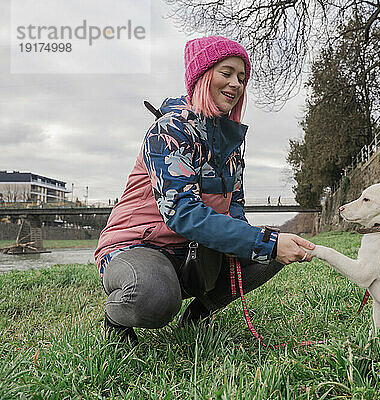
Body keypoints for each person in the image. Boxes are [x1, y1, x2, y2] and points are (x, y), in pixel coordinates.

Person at [94, 36, 315, 345]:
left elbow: (235, 208)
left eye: (241, 77)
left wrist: (267, 242)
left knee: (271, 249)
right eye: (226, 73)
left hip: (193, 249)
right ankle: (116, 319)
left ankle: (197, 315)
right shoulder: (169, 130)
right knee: (155, 299)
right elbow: (183, 213)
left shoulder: (232, 143)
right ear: (202, 75)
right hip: (139, 247)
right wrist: (265, 242)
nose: (236, 84)